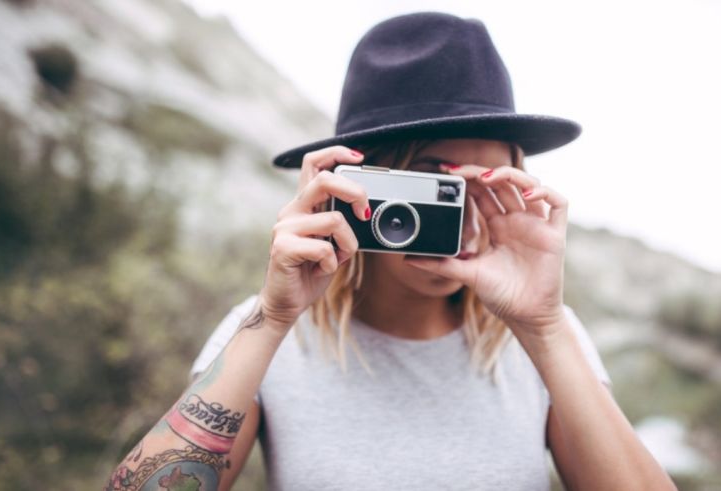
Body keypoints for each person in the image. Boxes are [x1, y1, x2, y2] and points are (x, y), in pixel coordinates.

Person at [105, 12, 677, 491]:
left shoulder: (546, 337)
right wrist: (273, 318)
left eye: (488, 186)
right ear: (357, 186)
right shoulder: (271, 331)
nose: (465, 221)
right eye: (438, 188)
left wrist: (545, 330)